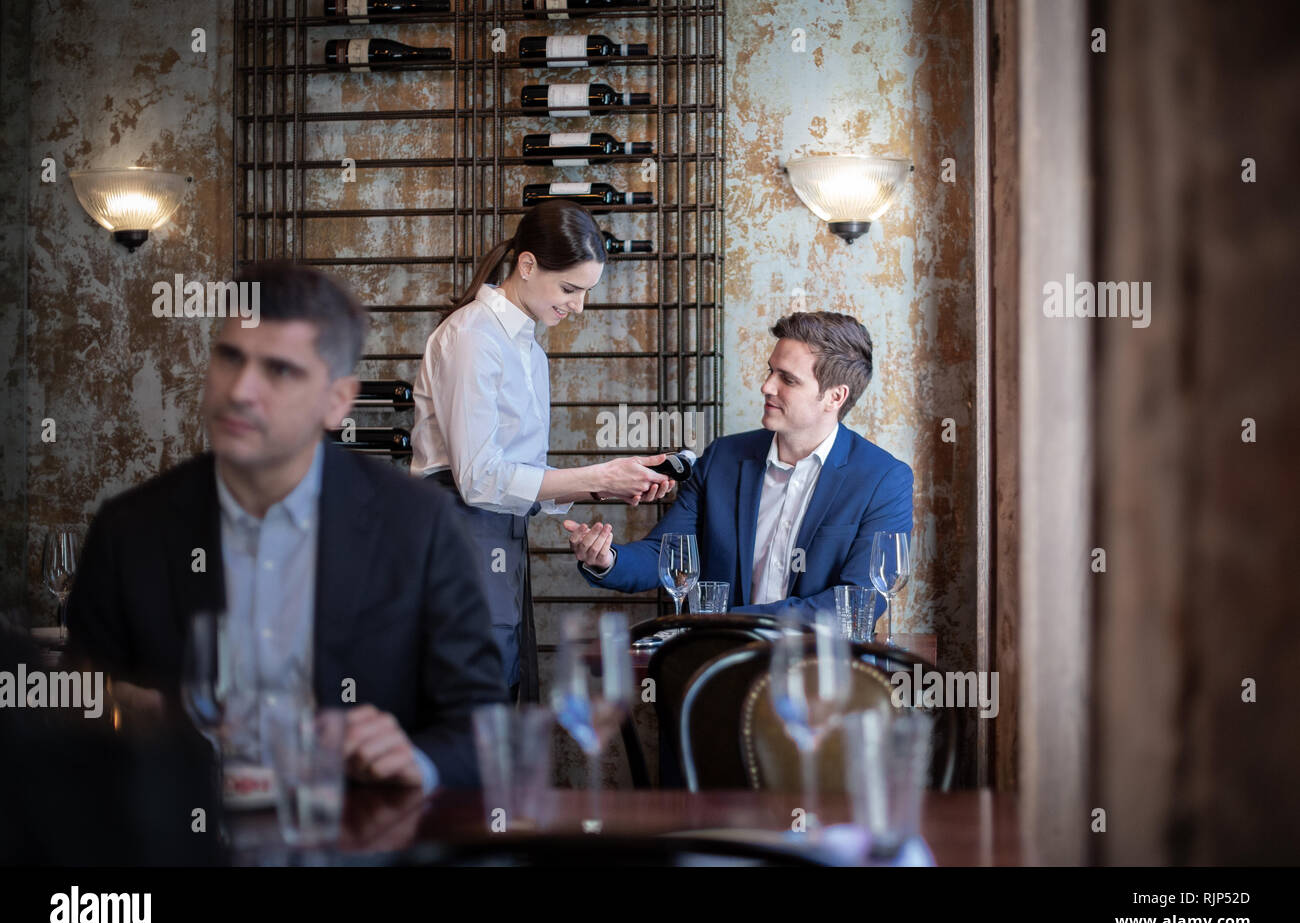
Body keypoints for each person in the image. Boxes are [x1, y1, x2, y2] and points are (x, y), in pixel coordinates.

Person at [66, 261, 506, 791]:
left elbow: (486, 731)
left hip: (358, 843)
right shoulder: (129, 529)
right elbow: (75, 718)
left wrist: (417, 760)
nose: (242, 390)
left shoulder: (421, 527)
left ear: (337, 401)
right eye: (230, 357)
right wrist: (109, 714)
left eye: (279, 370)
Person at [410, 200, 675, 702]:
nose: (578, 307)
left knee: (502, 698)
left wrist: (611, 485)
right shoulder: (472, 337)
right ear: (527, 266)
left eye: (585, 293)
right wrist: (597, 475)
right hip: (454, 539)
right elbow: (479, 478)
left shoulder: (529, 349)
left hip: (498, 540)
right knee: (472, 707)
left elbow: (518, 474)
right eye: (570, 290)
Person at [564, 311, 914, 621]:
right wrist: (606, 558)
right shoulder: (722, 458)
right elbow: (667, 556)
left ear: (835, 397)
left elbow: (857, 602)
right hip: (721, 667)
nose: (766, 387)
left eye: (787, 379)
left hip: (822, 675)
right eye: (770, 371)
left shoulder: (883, 480)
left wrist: (730, 621)